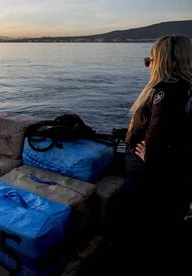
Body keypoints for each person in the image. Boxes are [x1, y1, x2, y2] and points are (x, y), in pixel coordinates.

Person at [119, 35, 192, 273]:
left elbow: (158, 135)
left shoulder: (166, 92)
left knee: (144, 232)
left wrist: (148, 154)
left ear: (161, 62)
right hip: (176, 176)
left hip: (149, 179)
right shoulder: (185, 88)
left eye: (149, 60)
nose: (147, 65)